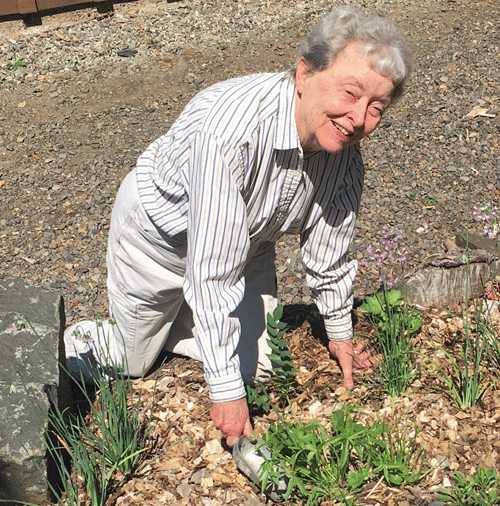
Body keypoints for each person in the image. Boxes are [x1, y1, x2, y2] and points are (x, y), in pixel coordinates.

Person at [65, 5, 412, 446]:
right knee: (134, 361)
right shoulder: (232, 131)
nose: (359, 119)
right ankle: (60, 343)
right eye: (350, 93)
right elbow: (212, 270)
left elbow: (329, 250)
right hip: (160, 243)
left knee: (262, 368)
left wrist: (339, 331)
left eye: (377, 107)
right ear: (304, 74)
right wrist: (224, 392)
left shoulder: (343, 154)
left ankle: (185, 321)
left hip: (246, 245)